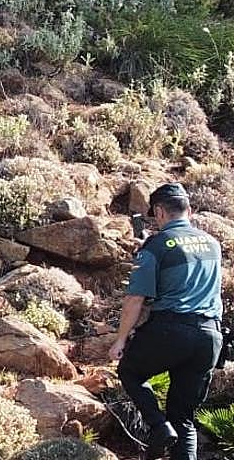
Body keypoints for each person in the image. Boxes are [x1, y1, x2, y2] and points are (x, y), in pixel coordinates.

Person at [109, 183, 223, 460]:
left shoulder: (156, 246)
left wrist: (120, 340)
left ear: (159, 211)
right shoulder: (212, 243)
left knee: (130, 371)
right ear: (189, 210)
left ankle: (159, 428)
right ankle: (169, 432)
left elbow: (136, 298)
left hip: (171, 329)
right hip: (210, 337)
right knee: (183, 418)